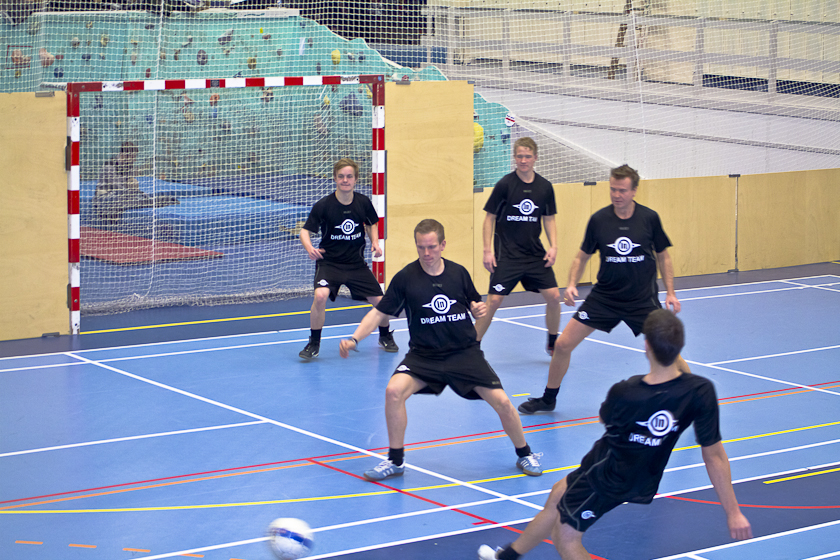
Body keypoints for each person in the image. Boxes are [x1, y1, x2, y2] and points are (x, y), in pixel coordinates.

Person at [478, 309, 753, 560]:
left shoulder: (627, 392)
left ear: (647, 346)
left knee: (566, 538)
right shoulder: (701, 391)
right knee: (556, 496)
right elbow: (714, 456)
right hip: (643, 476)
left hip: (607, 474)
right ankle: (507, 557)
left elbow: (605, 419)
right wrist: (733, 513)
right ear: (680, 347)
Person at [339, 219, 543, 481]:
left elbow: (475, 305)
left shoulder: (458, 273)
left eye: (432, 247)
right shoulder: (405, 278)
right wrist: (354, 339)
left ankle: (525, 453)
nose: (426, 253)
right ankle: (395, 461)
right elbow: (379, 313)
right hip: (424, 356)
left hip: (464, 354)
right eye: (421, 247)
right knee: (393, 391)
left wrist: (478, 309)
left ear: (443, 245)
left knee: (503, 402)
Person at [519, 164, 690, 414]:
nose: (616, 195)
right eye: (613, 189)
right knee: (563, 345)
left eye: (622, 190)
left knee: (666, 349)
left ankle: (693, 396)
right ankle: (548, 399)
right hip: (605, 298)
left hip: (641, 300)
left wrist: (671, 292)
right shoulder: (599, 220)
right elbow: (581, 257)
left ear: (634, 191)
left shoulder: (649, 218)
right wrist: (572, 284)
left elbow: (663, 256)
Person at [299, 157, 397, 359]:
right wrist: (309, 248)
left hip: (356, 265)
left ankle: (385, 335)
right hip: (330, 263)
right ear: (335, 178)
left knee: (382, 302)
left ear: (355, 179)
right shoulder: (324, 205)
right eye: (341, 176)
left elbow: (371, 223)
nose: (345, 180)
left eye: (349, 176)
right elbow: (304, 231)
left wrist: (375, 242)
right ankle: (314, 343)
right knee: (320, 296)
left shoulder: (363, 202)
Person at [473, 137, 562, 355]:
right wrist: (487, 250)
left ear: (535, 158)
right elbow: (489, 218)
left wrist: (554, 246)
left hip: (534, 255)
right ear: (514, 157)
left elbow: (549, 218)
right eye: (520, 156)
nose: (523, 160)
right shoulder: (505, 185)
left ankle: (552, 341)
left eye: (527, 156)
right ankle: (470, 348)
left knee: (554, 296)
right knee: (494, 301)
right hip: (507, 255)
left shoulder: (545, 187)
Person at [92, 141, 178, 225]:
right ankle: (154, 202)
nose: (135, 159)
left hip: (120, 195)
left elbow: (127, 187)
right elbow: (117, 188)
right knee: (134, 199)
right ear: (124, 155)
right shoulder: (109, 166)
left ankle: (156, 201)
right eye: (133, 157)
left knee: (136, 193)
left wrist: (139, 192)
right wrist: (134, 191)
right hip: (106, 199)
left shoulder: (128, 165)